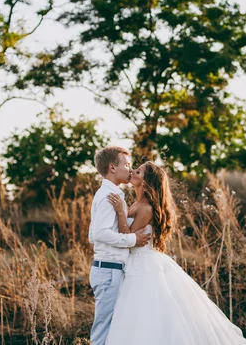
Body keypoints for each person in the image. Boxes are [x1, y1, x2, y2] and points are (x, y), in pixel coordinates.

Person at [105, 161, 246, 344]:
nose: (132, 172)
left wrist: (120, 212)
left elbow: (127, 239)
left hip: (143, 264)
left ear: (146, 182)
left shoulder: (145, 208)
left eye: (138, 171)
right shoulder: (136, 204)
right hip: (134, 263)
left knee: (147, 314)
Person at [88, 146, 152, 345]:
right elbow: (99, 233)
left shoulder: (110, 194)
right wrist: (132, 240)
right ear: (112, 168)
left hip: (110, 268)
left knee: (112, 327)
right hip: (109, 270)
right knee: (104, 329)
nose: (129, 169)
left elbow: (92, 235)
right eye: (126, 164)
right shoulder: (109, 196)